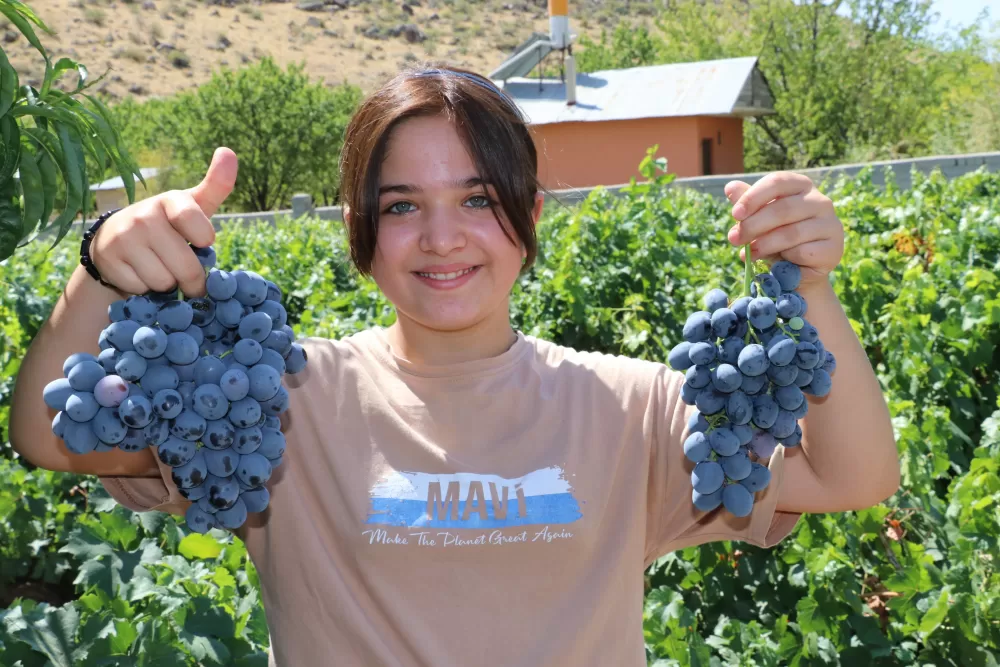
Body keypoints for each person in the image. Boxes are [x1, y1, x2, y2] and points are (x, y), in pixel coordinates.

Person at [9, 64, 900, 666]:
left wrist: (812, 288)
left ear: (530, 213)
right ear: (362, 232)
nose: (442, 236)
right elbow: (48, 435)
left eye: (477, 197)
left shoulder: (629, 406)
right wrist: (103, 265)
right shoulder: (278, 402)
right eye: (402, 205)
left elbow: (854, 473)